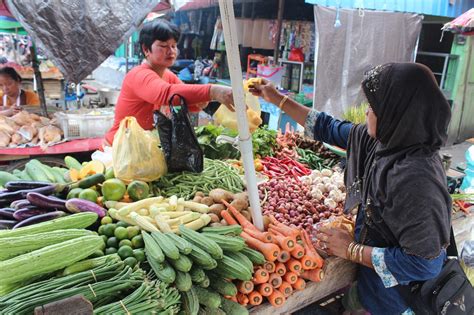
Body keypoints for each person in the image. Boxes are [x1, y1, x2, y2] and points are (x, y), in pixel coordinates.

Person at [250, 63, 452, 315]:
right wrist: (277, 98)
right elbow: (328, 128)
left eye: (374, 106)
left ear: (396, 112)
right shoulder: (387, 142)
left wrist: (351, 250)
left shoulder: (416, 179)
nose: (367, 112)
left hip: (400, 302)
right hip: (373, 288)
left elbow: (424, 264)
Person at [104, 19, 234, 146]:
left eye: (173, 46)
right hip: (118, 148)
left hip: (142, 147)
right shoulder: (139, 75)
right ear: (146, 49)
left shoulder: (167, 75)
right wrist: (212, 91)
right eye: (164, 46)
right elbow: (166, 93)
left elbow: (183, 100)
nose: (171, 51)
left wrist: (199, 102)